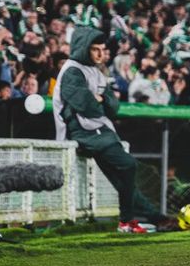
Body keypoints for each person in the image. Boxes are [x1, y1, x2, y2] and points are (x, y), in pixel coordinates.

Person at [51, 26, 168, 233]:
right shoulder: (72, 71)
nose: (100, 53)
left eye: (102, 49)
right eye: (95, 49)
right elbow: (88, 107)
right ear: (83, 48)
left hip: (99, 132)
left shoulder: (96, 72)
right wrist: (99, 99)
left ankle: (153, 218)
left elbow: (113, 107)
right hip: (82, 133)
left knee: (122, 176)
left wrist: (100, 98)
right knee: (128, 165)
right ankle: (127, 220)